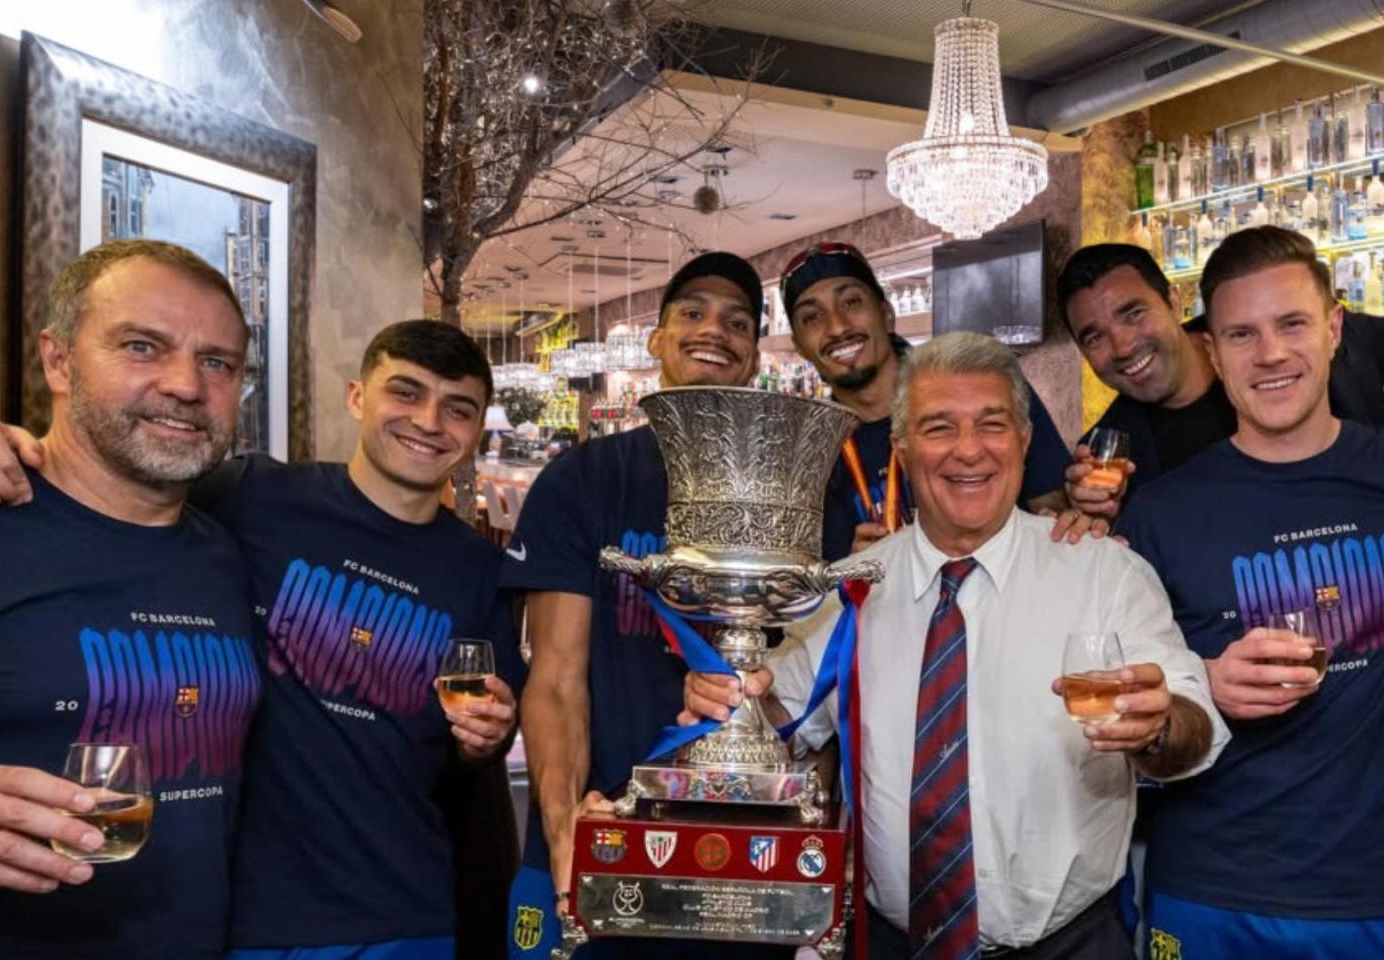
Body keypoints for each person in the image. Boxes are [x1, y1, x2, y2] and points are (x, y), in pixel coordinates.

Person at [0, 319, 525, 958]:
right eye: (405, 393)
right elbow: (115, 485)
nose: (429, 422)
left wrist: (489, 735)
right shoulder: (248, 494)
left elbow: (482, 739)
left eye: (457, 408)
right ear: (358, 396)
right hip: (240, 909)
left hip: (403, 903)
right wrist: (3, 441)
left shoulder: (484, 570)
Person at [685, 332, 1227, 960]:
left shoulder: (1104, 574)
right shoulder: (850, 588)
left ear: (1024, 443)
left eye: (992, 425)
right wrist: (728, 700)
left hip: (1071, 945)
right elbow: (778, 716)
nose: (968, 451)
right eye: (939, 427)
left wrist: (1157, 727)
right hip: (889, 944)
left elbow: (1193, 725)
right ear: (903, 447)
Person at [1119, 227, 1384, 958]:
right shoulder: (1159, 514)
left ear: (1334, 330)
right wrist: (1198, 685)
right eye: (1241, 333)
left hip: (1380, 891)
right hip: (1207, 887)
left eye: (1292, 323)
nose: (1270, 354)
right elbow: (1120, 703)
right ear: (1211, 351)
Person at [501, 252, 787, 960]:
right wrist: (568, 828)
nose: (712, 330)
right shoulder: (584, 480)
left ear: (754, 355)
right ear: (655, 339)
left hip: (741, 855)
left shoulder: (791, 493)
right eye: (691, 313)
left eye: (737, 322)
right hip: (604, 830)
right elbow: (558, 675)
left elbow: (810, 683)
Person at [0, 239, 260, 959]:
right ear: (58, 360)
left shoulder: (229, 554)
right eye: (143, 346)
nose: (186, 386)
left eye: (216, 363)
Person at [1054, 242, 1384, 515]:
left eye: (1133, 313)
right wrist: (1094, 518)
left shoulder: (1298, 338)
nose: (1122, 346)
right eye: (1094, 336)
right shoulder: (1106, 454)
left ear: (1174, 301)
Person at [777, 242, 1081, 558]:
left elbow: (1052, 518)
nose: (837, 327)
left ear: (886, 315)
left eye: (851, 302)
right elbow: (812, 582)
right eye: (812, 317)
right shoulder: (806, 456)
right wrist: (851, 573)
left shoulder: (982, 384)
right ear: (799, 346)